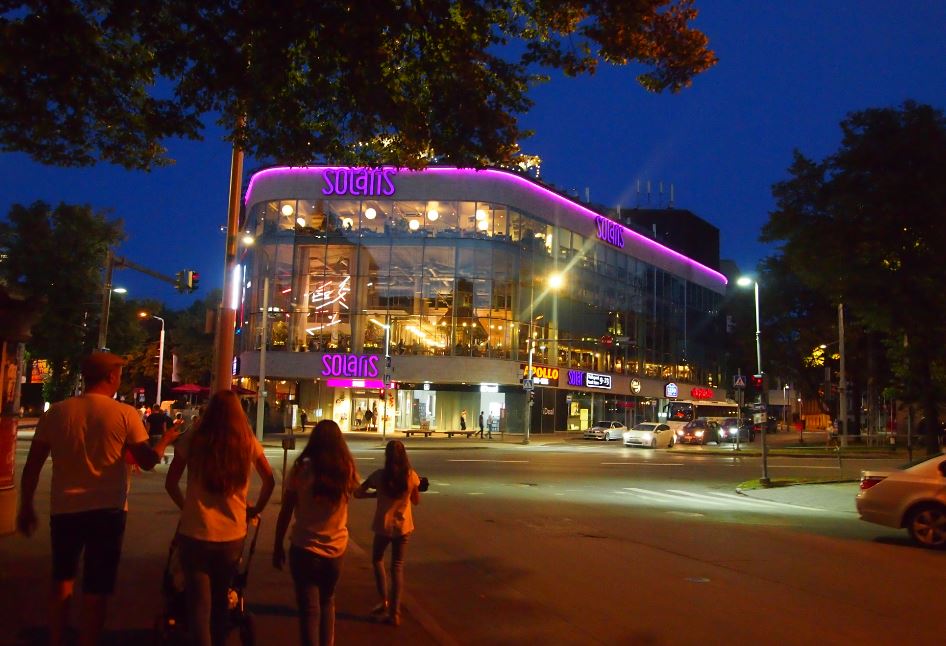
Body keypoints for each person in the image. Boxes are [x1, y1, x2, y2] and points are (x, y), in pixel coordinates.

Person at [17, 352, 178, 646]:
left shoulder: (57, 413)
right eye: (119, 374)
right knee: (97, 587)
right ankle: (88, 639)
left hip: (65, 508)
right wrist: (166, 441)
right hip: (108, 511)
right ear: (110, 377)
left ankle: (56, 638)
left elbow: (33, 465)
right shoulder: (124, 414)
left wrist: (26, 505)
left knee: (62, 577)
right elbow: (146, 461)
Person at [165, 390, 275, 646]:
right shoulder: (246, 440)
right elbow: (269, 480)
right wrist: (255, 508)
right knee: (220, 603)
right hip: (231, 534)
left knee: (199, 606)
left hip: (195, 531)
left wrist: (186, 506)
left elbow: (171, 482)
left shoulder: (194, 438)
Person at [273, 419, 360, 646]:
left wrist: (277, 544)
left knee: (309, 611)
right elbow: (354, 492)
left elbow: (286, 510)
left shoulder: (301, 469)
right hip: (335, 550)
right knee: (327, 601)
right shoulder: (346, 469)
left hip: (304, 547)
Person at [354, 440, 421, 627]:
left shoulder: (379, 476)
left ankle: (384, 600)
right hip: (403, 527)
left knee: (377, 559)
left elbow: (358, 492)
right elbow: (416, 500)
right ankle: (395, 613)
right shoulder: (411, 476)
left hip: (383, 526)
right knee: (397, 567)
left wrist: (374, 495)